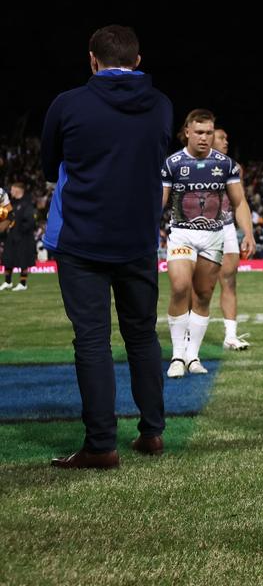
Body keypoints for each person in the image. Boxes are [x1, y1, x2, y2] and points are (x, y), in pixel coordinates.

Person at [40, 24, 172, 469]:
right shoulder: (161, 106)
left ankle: (101, 444)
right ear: (137, 60)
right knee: (142, 335)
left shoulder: (68, 104)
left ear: (92, 59)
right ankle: (152, 432)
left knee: (92, 340)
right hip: (137, 239)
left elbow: (48, 166)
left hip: (81, 239)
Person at [162, 110, 256, 378]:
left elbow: (239, 203)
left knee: (203, 295)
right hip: (182, 233)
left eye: (209, 132)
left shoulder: (226, 165)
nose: (204, 138)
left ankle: (193, 356)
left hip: (213, 236)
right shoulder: (173, 163)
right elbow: (160, 200)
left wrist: (247, 233)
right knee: (180, 287)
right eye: (199, 132)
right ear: (188, 132)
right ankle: (177, 355)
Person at [204, 127, 252, 350]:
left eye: (227, 138)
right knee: (199, 286)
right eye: (222, 138)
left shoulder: (234, 167)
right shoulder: (187, 163)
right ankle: (186, 336)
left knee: (229, 281)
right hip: (199, 229)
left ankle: (230, 336)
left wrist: (248, 233)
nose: (226, 142)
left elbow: (239, 202)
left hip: (226, 228)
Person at [0, 182, 36, 291]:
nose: (11, 192)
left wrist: (19, 230)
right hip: (11, 237)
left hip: (23, 238)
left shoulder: (27, 204)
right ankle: (8, 281)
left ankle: (23, 283)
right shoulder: (12, 204)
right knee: (7, 258)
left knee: (23, 260)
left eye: (12, 189)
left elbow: (30, 222)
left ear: (18, 190)